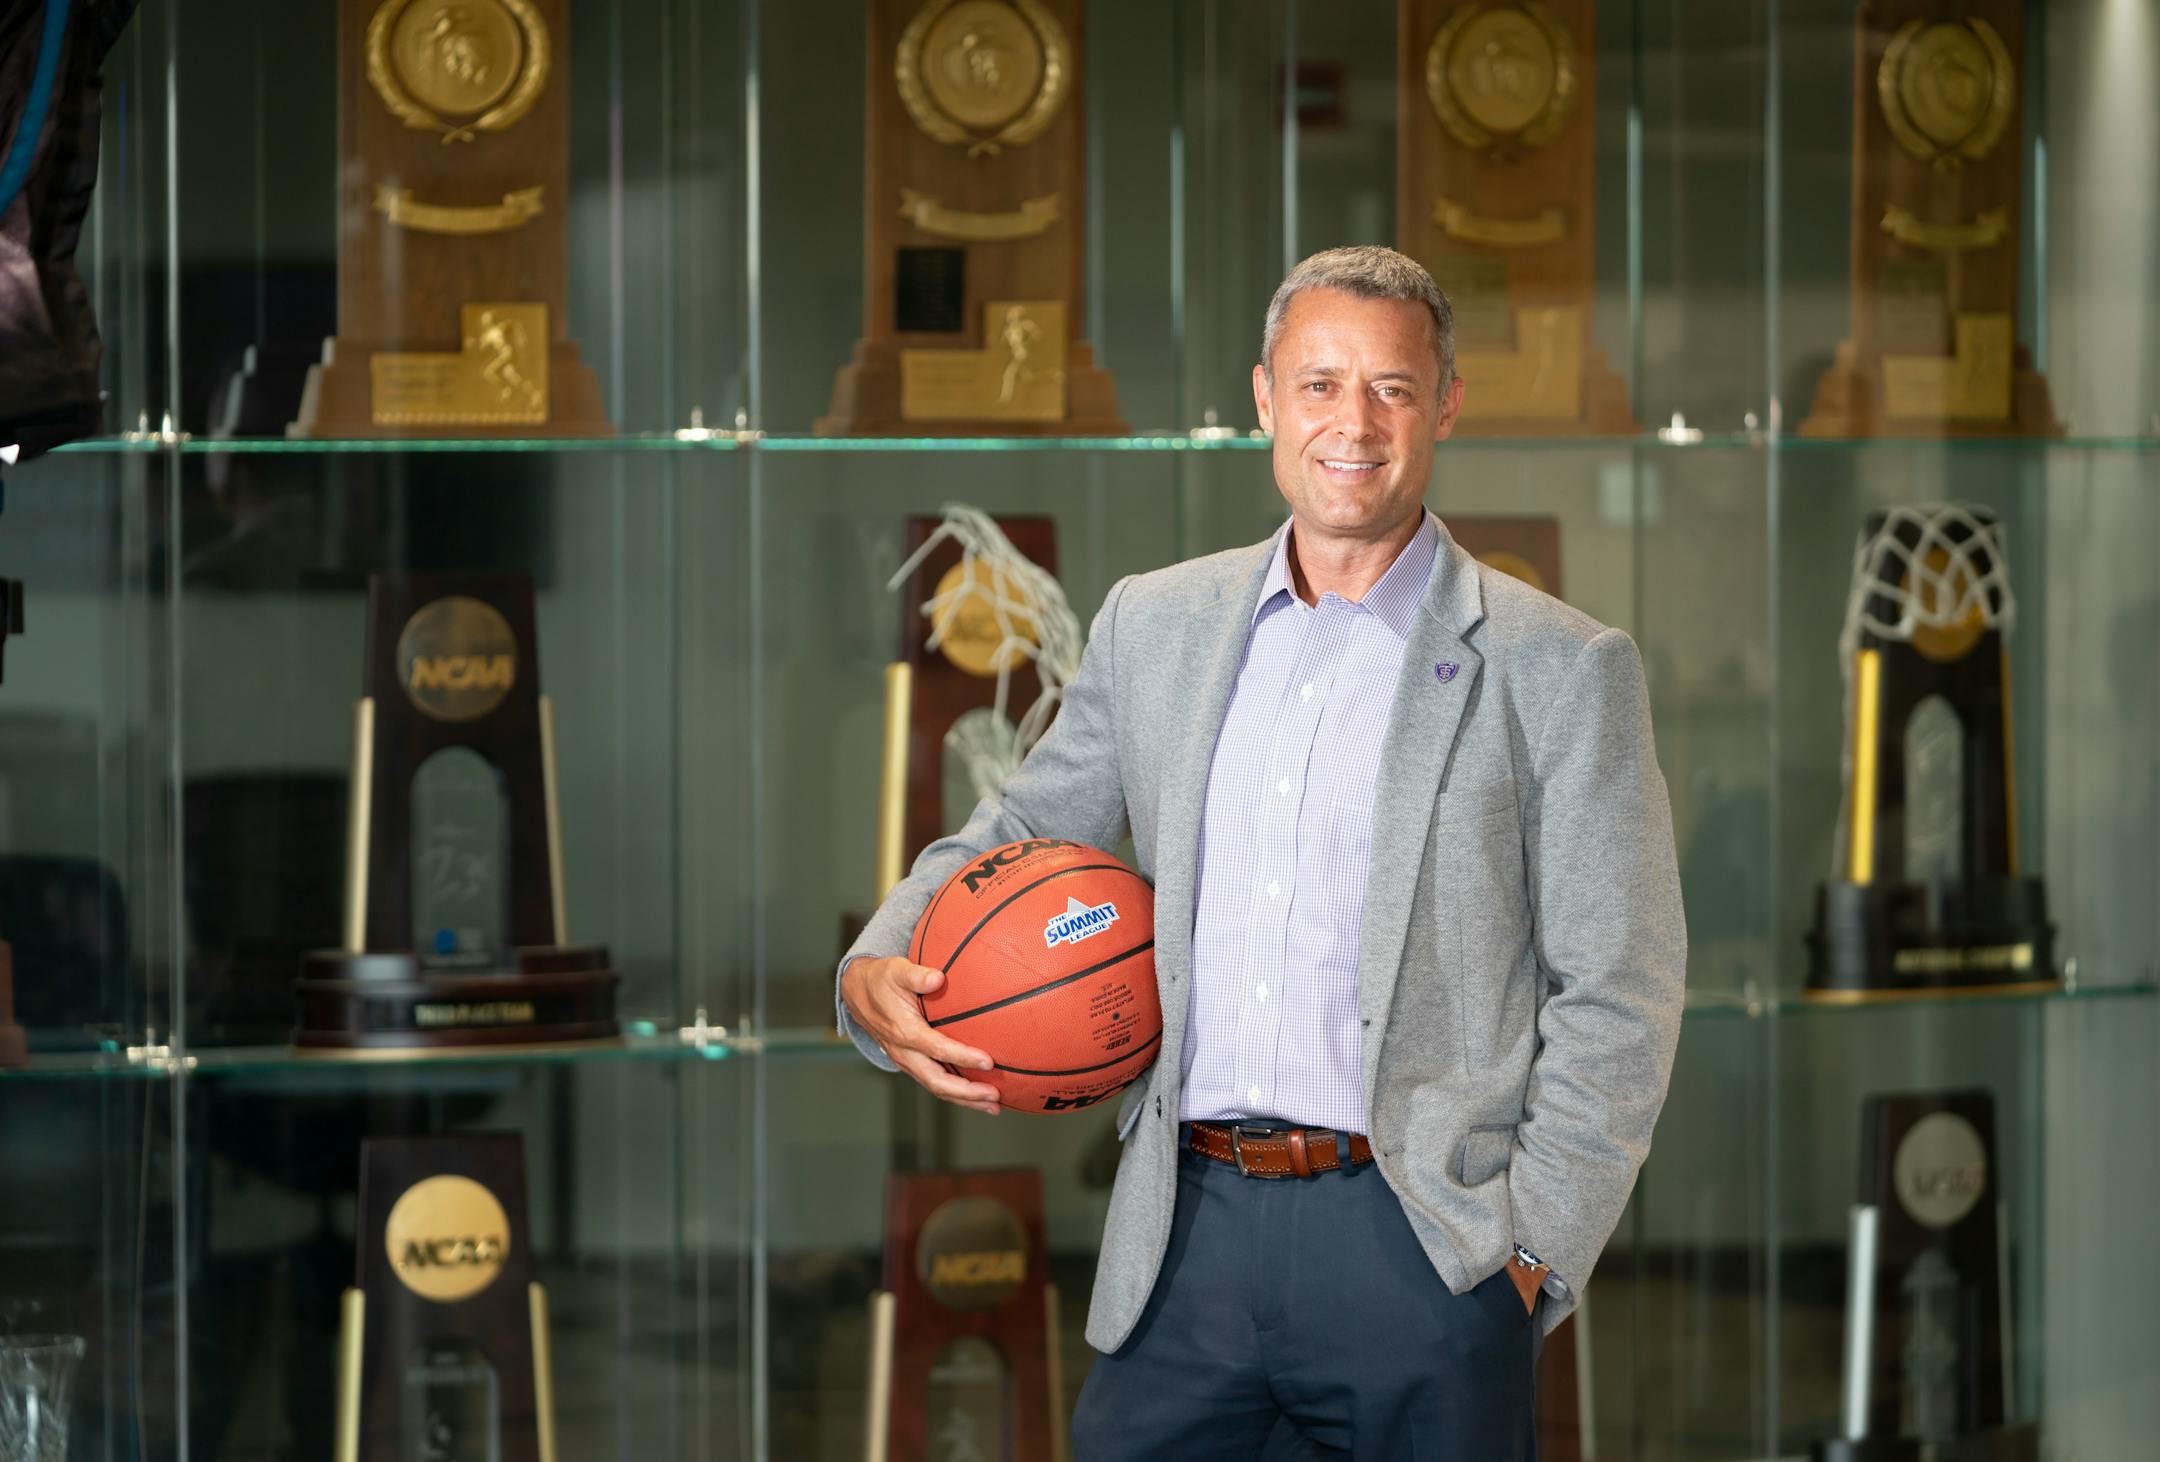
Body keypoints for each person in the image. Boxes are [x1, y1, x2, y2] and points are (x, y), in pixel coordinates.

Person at [837, 245, 1686, 1459]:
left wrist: (1532, 1254)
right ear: (1264, 400)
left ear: (1444, 403)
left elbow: (1623, 988)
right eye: (1320, 383)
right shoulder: (1156, 622)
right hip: (1182, 1241)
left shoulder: (1559, 666)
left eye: (1391, 387)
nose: (1355, 422)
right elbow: (1022, 832)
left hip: (1422, 1250)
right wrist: (881, 955)